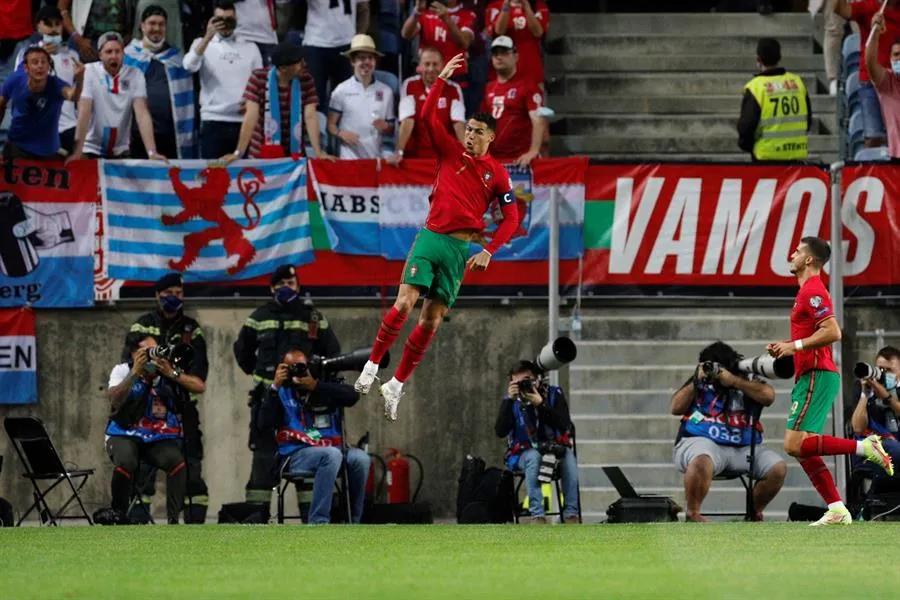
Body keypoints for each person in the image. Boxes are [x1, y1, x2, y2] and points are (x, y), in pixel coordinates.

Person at [353, 54, 520, 422]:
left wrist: (489, 250)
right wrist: (441, 80)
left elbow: (512, 217)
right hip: (431, 238)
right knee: (404, 303)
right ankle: (371, 366)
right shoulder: (449, 152)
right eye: (470, 129)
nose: (472, 135)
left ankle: (395, 385)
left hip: (459, 249)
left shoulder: (498, 175)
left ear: (492, 137)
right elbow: (428, 118)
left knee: (430, 321)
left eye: (479, 131)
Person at [766, 236, 894, 526]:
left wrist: (795, 347)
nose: (792, 254)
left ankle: (865, 447)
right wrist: (788, 344)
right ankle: (837, 507)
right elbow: (815, 334)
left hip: (817, 376)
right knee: (802, 447)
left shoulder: (813, 290)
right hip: (811, 375)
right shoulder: (805, 292)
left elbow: (833, 332)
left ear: (809, 260)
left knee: (793, 444)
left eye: (797, 251)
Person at [233, 264, 342, 505]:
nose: (286, 288)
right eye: (281, 284)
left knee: (308, 467)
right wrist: (263, 375)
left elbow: (332, 355)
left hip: (304, 406)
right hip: (268, 401)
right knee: (263, 460)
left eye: (290, 284)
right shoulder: (259, 317)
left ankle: (312, 522)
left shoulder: (313, 318)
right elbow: (242, 352)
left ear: (298, 287)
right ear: (272, 288)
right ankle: (257, 520)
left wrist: (312, 380)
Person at [119, 273, 210, 524]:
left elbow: (199, 383)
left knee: (190, 469)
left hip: (182, 410)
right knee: (143, 471)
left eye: (179, 293)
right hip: (146, 409)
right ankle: (137, 525)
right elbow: (130, 368)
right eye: (168, 292)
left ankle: (192, 529)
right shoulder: (142, 327)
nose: (174, 298)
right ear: (158, 295)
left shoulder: (192, 330)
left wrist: (170, 371)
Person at [670, 342, 786, 522]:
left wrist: (734, 381)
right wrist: (697, 379)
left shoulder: (745, 378)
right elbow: (675, 407)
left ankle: (754, 513)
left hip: (744, 448)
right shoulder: (700, 381)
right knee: (702, 459)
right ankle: (693, 513)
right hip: (701, 441)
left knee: (777, 468)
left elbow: (768, 396)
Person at [258, 349, 370, 524]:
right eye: (291, 367)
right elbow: (263, 423)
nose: (298, 371)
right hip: (296, 454)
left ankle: (352, 520)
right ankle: (318, 521)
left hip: (334, 450)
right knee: (331, 455)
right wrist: (274, 386)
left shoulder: (321, 386)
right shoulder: (280, 391)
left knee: (361, 459)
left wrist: (315, 386)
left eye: (301, 366)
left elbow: (352, 396)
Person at [105, 336, 187, 524]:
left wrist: (169, 374)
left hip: (154, 437)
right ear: (136, 353)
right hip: (123, 433)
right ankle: (119, 514)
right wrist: (135, 372)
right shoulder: (122, 370)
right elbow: (114, 400)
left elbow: (181, 401)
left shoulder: (163, 374)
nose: (153, 356)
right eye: (148, 351)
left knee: (177, 462)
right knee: (126, 460)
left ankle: (174, 520)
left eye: (156, 350)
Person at [495, 360, 579, 524]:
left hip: (555, 450)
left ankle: (571, 515)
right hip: (523, 453)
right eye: (518, 383)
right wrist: (509, 401)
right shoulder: (512, 401)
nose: (523, 386)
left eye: (526, 381)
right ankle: (537, 516)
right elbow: (500, 431)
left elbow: (564, 425)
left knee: (569, 458)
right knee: (533, 457)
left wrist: (541, 404)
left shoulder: (553, 394)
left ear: (538, 379)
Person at [221, 41, 332, 164]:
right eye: (299, 63)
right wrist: (238, 153)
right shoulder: (258, 78)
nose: (304, 65)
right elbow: (251, 116)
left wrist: (318, 152)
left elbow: (310, 116)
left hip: (294, 154)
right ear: (283, 68)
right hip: (261, 154)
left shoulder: (306, 79)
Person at [182, 0, 263, 159]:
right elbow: (189, 66)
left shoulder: (250, 47)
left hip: (243, 121)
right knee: (213, 175)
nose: (225, 25)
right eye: (220, 20)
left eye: (229, 20)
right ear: (212, 20)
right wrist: (207, 37)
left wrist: (252, 103)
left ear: (236, 19)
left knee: (243, 175)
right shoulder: (201, 44)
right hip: (213, 119)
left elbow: (260, 81)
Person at [69, 31, 163, 160]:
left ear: (123, 53)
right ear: (100, 55)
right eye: (109, 52)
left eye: (118, 51)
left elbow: (142, 114)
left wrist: (152, 153)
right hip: (90, 149)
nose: (114, 56)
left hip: (121, 150)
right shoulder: (89, 71)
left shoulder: (136, 74)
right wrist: (77, 152)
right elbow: (84, 112)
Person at [124, 5, 197, 159]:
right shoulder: (128, 57)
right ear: (142, 26)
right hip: (135, 136)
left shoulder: (177, 58)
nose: (156, 28)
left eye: (161, 24)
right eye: (152, 23)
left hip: (171, 135)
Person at [13, 5, 82, 155]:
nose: (54, 29)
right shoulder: (26, 54)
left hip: (67, 127)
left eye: (57, 24)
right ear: (39, 26)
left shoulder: (73, 57)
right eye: (48, 24)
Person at [834, 0, 900, 148]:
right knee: (873, 136)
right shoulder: (867, 6)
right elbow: (840, 10)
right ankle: (871, 168)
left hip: (896, 82)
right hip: (870, 80)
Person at [0, 46, 83, 159]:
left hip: (47, 150)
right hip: (16, 145)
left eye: (43, 62)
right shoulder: (14, 79)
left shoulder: (56, 84)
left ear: (49, 67)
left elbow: (73, 96)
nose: (40, 66)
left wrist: (80, 79)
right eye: (35, 62)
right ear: (26, 67)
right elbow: (1, 105)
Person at [737, 37, 811, 162]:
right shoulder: (797, 83)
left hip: (765, 158)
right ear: (779, 57)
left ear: (758, 59)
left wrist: (747, 146)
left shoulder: (756, 88)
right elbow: (807, 121)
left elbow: (746, 128)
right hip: (795, 157)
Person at [389, 46, 465, 164]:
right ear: (420, 66)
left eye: (435, 64)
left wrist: (469, 155)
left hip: (445, 159)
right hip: (416, 157)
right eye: (427, 64)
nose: (431, 69)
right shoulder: (410, 85)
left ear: (443, 66)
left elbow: (458, 124)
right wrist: (399, 151)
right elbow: (407, 121)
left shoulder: (453, 89)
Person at [327, 34, 394, 159]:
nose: (367, 62)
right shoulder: (341, 90)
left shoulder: (386, 91)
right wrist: (341, 134)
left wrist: (386, 127)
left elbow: (390, 127)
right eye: (362, 58)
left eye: (370, 58)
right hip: (349, 156)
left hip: (376, 156)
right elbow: (331, 125)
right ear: (353, 61)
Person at [479, 36, 544, 166]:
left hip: (520, 160)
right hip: (494, 160)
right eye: (496, 53)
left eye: (504, 52)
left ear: (516, 56)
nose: (499, 57)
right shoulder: (489, 87)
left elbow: (538, 120)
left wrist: (533, 151)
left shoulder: (528, 86)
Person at [302, 0, 370, 113]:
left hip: (347, 43)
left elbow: (363, 8)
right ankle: (315, 129)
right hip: (316, 43)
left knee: (347, 100)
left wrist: (358, 37)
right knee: (314, 100)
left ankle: (342, 130)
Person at [402, 0, 475, 88]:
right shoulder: (426, 13)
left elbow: (464, 42)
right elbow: (406, 34)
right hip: (428, 74)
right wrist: (417, 12)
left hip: (454, 75)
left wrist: (446, 18)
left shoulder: (468, 15)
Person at [850, 346, 900, 472]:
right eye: (881, 369)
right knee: (892, 447)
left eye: (890, 370)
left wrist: (887, 398)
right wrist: (865, 395)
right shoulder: (863, 387)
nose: (884, 374)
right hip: (874, 448)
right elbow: (857, 428)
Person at [485, 0, 549, 89]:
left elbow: (538, 32)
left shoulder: (538, 5)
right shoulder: (495, 6)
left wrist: (527, 7)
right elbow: (499, 31)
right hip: (506, 65)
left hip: (531, 64)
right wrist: (506, 6)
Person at [866, 13, 900, 158]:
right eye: (896, 55)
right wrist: (875, 33)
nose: (899, 58)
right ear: (890, 59)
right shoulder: (887, 83)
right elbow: (870, 62)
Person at [58, 0, 133, 62]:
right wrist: (77, 37)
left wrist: (128, 38)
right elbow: (61, 7)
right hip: (86, 43)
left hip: (118, 43)